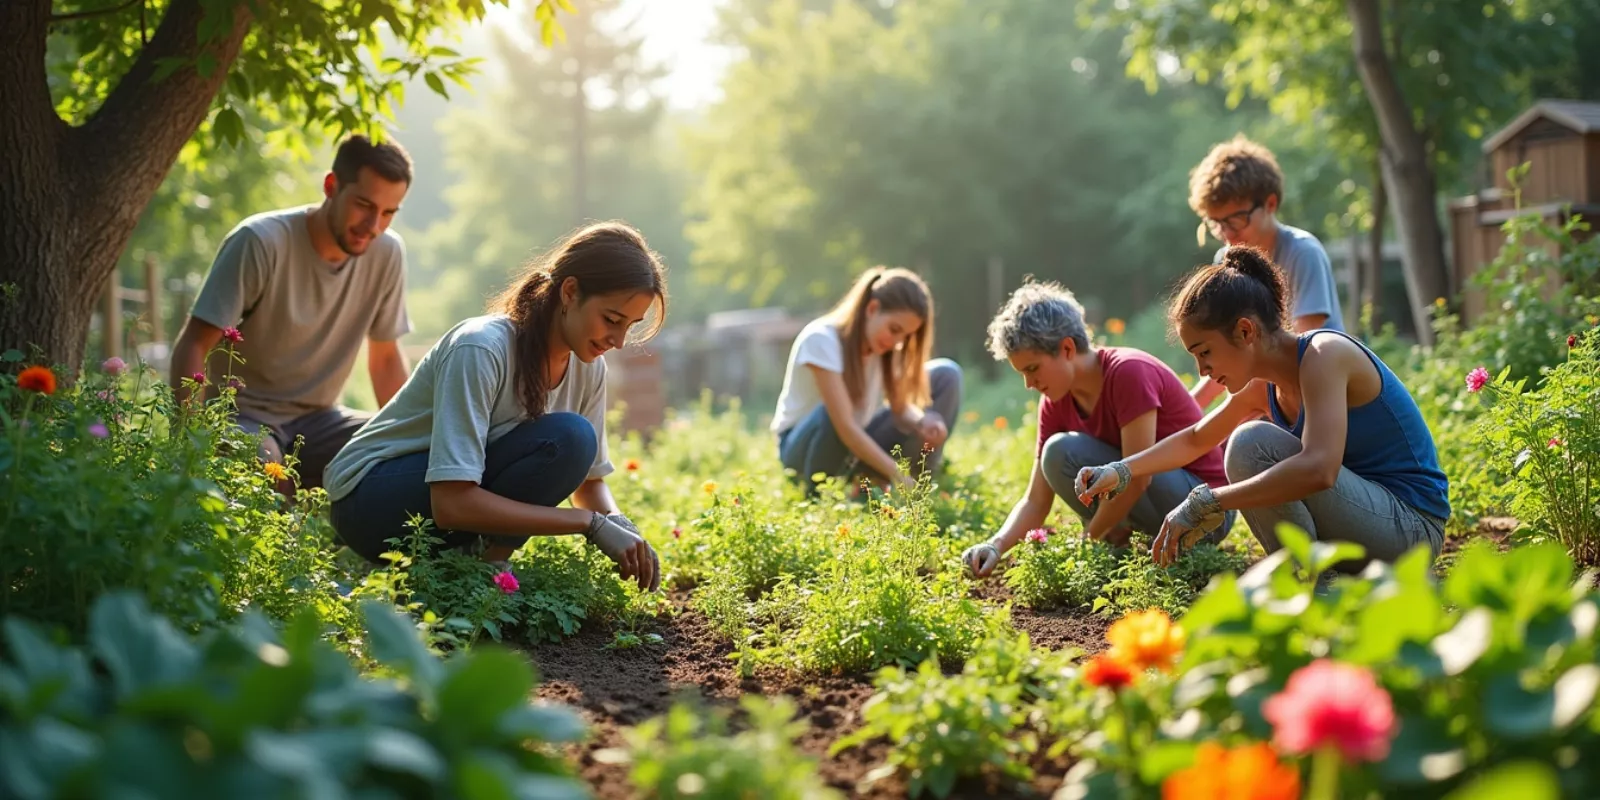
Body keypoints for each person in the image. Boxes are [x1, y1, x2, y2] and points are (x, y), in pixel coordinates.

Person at [321, 222, 664, 592]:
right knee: (572, 434)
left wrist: (619, 525)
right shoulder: (480, 349)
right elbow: (450, 503)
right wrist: (588, 523)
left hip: (443, 502)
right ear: (570, 292)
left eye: (630, 326)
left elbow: (589, 482)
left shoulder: (589, 367)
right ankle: (479, 574)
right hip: (369, 499)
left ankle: (484, 570)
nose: (618, 341)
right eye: (612, 320)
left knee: (574, 442)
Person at [1075, 246, 1447, 571]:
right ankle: (1309, 580)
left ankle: (1306, 581)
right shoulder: (1261, 386)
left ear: (1245, 332)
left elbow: (1320, 469)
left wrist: (1208, 500)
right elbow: (1195, 438)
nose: (1202, 370)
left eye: (1204, 352)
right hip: (1359, 527)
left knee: (1250, 443)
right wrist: (1121, 469)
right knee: (1246, 444)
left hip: (1410, 531)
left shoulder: (1325, 356)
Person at [171, 134, 415, 491]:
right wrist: (187, 443)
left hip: (321, 420)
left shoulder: (388, 253)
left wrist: (410, 437)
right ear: (332, 186)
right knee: (271, 474)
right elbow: (195, 342)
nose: (373, 225)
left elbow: (385, 361)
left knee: (401, 460)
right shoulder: (260, 242)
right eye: (364, 204)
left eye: (388, 213)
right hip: (242, 415)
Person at [962, 282, 1234, 578]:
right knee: (1059, 453)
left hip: (1204, 509)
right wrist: (996, 544)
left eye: (1033, 369)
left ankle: (1118, 540)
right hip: (1155, 505)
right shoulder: (1055, 400)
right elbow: (1036, 499)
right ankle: (1127, 543)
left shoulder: (1128, 372)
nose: (1029, 384)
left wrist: (1087, 543)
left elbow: (1137, 478)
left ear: (1066, 348)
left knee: (1115, 464)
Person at [1186, 135, 1345, 409]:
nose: (1226, 233)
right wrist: (1187, 408)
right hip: (1264, 392)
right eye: (1215, 223)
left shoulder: (1302, 253)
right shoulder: (1227, 259)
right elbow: (1225, 350)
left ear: (1270, 204)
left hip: (1314, 395)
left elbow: (1302, 346)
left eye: (1236, 219)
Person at [771, 267, 963, 493]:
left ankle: (920, 483)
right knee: (831, 414)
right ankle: (819, 494)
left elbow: (900, 409)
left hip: (855, 441)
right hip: (803, 450)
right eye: (894, 329)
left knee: (947, 374)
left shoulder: (886, 347)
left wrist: (924, 421)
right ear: (872, 309)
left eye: (905, 336)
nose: (897, 342)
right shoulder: (821, 340)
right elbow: (845, 428)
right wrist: (899, 477)